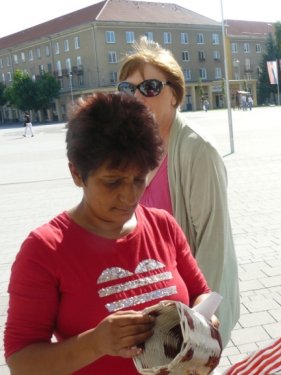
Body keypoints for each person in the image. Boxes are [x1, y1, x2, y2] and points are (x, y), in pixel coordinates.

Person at [4, 92, 217, 374]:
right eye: (113, 182)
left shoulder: (163, 225)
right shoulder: (45, 250)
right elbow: (21, 361)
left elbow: (200, 293)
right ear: (77, 174)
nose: (129, 196)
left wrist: (204, 322)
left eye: (139, 179)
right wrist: (95, 343)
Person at [118, 37, 239, 348]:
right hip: (146, 305)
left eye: (150, 87)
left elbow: (214, 243)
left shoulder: (197, 150)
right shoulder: (129, 149)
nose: (137, 96)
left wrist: (195, 321)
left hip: (186, 311)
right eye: (127, 89)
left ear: (174, 94)